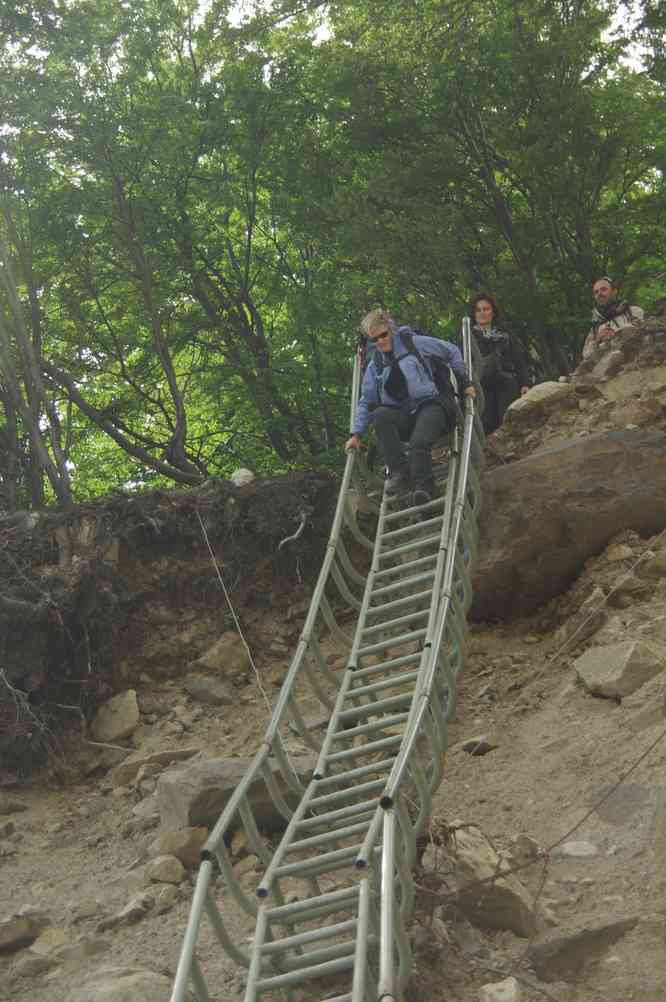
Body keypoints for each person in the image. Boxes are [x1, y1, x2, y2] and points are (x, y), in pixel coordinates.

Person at [345, 308, 476, 505]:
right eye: (374, 339)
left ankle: (424, 487)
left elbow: (451, 351)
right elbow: (366, 400)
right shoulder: (376, 364)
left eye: (383, 335)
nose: (380, 341)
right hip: (405, 415)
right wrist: (356, 434)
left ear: (391, 329)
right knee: (380, 414)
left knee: (418, 443)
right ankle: (399, 472)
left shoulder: (413, 343)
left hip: (432, 405)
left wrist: (465, 382)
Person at [469, 293, 529, 435]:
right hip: (482, 390)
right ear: (473, 314)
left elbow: (519, 360)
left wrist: (525, 383)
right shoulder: (468, 338)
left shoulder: (505, 334)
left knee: (510, 425)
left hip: (507, 385)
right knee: (488, 428)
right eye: (478, 310)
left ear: (493, 311)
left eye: (486, 309)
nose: (482, 313)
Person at [582, 276, 644, 359]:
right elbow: (586, 355)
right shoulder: (595, 328)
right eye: (596, 292)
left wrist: (616, 334)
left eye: (603, 289)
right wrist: (597, 341)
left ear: (614, 291)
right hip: (610, 369)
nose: (599, 294)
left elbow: (645, 334)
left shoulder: (634, 312)